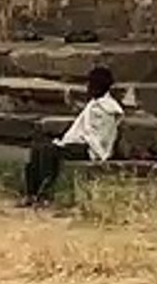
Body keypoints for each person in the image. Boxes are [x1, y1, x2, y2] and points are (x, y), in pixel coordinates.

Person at [22, 67, 124, 206]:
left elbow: (98, 137)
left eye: (91, 84)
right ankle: (31, 193)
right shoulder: (94, 104)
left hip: (92, 149)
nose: (88, 87)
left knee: (50, 151)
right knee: (37, 148)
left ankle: (45, 194)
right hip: (81, 143)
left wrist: (71, 142)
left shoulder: (107, 108)